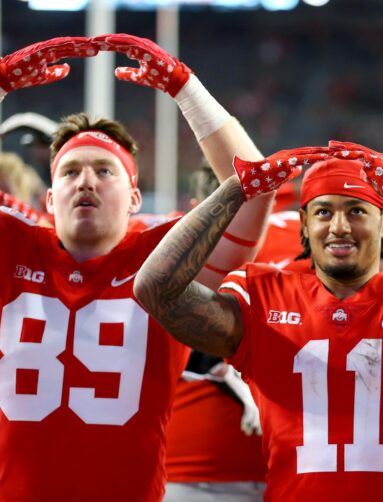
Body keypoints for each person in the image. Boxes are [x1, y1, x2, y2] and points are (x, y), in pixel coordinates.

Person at [133, 139, 383, 500]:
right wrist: (237, 189)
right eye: (323, 211)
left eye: (356, 210)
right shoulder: (263, 297)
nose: (339, 227)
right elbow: (155, 289)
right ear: (304, 223)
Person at [0, 35, 276, 501]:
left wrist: (187, 91)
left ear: (133, 198)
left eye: (105, 171)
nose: (86, 180)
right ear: (49, 199)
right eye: (70, 172)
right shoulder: (14, 242)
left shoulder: (163, 252)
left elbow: (254, 188)